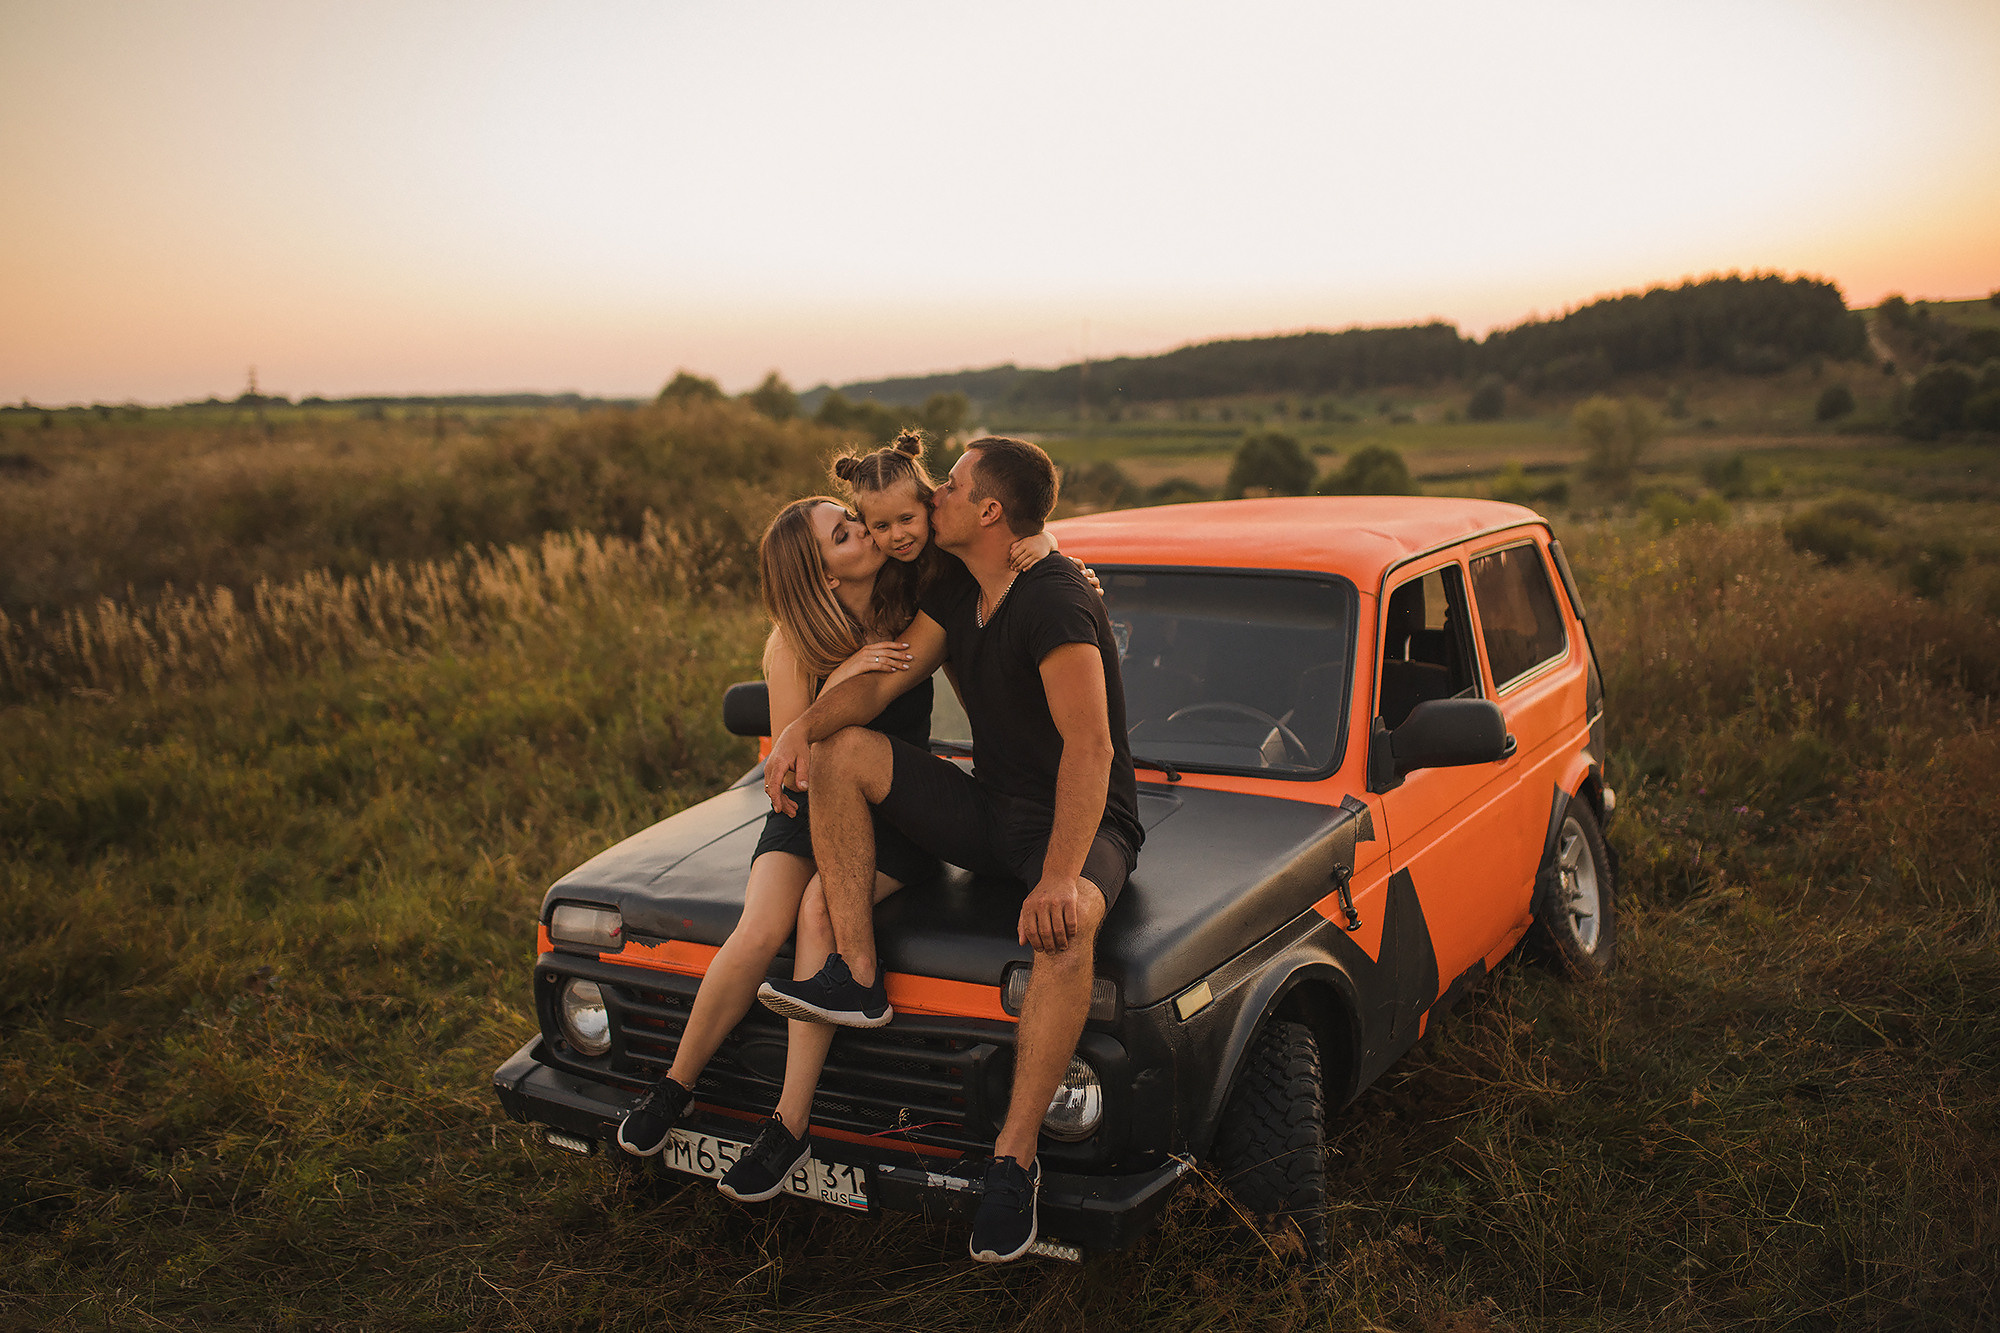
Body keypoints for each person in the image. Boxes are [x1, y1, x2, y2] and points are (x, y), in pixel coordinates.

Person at [758, 437, 1143, 1264]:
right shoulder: (960, 587)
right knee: (841, 750)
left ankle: (1013, 1162)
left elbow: (1092, 749)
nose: (937, 497)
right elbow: (883, 683)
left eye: (952, 487)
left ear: (990, 511)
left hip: (1081, 822)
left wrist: (1060, 874)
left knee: (1067, 926)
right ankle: (855, 975)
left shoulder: (1057, 600)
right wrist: (800, 727)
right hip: (993, 807)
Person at [613, 496, 937, 1202]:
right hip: (808, 800)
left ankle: (788, 1126)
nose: (869, 533)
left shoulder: (910, 598)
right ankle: (676, 1085)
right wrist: (852, 669)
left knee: (822, 908)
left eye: (858, 521)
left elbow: (970, 537)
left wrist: (1056, 561)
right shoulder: (791, 643)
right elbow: (796, 758)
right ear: (823, 576)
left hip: (894, 811)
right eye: (848, 533)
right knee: (760, 927)